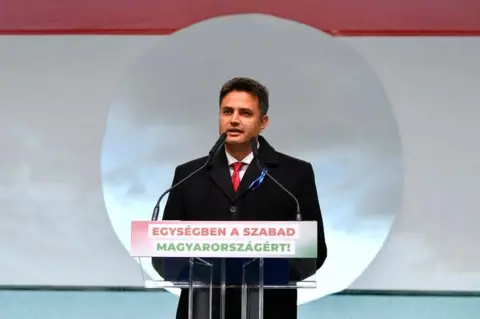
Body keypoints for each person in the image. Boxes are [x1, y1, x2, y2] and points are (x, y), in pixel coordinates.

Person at [152, 77, 327, 319]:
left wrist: (266, 274)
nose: (234, 119)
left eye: (245, 113)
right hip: (202, 310)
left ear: (262, 122)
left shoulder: (294, 175)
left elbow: (315, 250)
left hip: (270, 308)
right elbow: (163, 254)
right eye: (227, 111)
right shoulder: (188, 175)